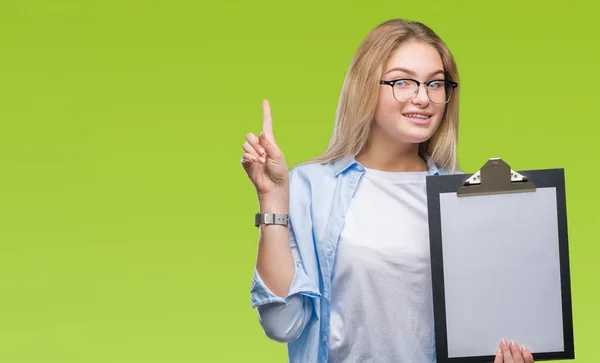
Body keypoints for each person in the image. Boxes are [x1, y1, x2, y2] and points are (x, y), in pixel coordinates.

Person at [241, 18, 535, 363]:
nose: (422, 98)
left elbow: (490, 320)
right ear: (366, 86)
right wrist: (272, 198)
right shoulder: (309, 188)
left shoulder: (467, 196)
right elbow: (283, 324)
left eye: (435, 84)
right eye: (402, 82)